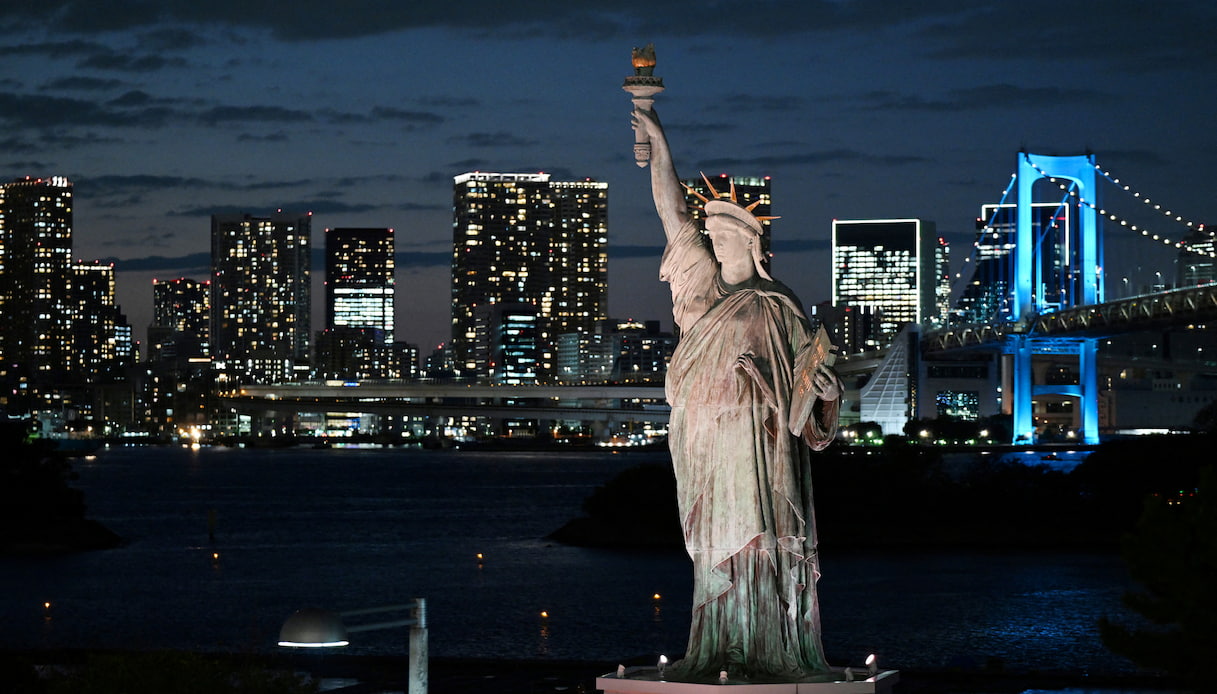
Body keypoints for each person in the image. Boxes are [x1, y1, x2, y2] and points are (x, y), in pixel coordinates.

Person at [632, 106, 842, 682]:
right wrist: (659, 140)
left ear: (752, 245)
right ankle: (718, 644)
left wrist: (826, 395)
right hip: (702, 435)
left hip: (758, 439)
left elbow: (813, 382)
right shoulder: (699, 282)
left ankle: (763, 644)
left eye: (727, 238)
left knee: (755, 538)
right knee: (713, 541)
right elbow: (671, 213)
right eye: (713, 237)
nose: (716, 245)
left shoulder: (779, 305)